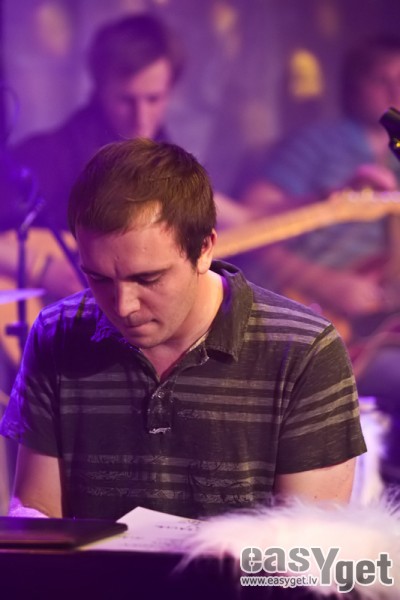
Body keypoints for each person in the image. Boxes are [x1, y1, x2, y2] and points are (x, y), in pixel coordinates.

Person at [0, 138, 366, 520]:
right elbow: (40, 516)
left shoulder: (304, 350)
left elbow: (308, 541)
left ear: (205, 248)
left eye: (148, 279)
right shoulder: (58, 332)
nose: (123, 306)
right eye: (99, 279)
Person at [238, 34, 400, 402]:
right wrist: (325, 282)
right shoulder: (316, 143)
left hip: (373, 321)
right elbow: (249, 229)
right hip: (307, 311)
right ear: (353, 86)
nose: (395, 92)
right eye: (382, 79)